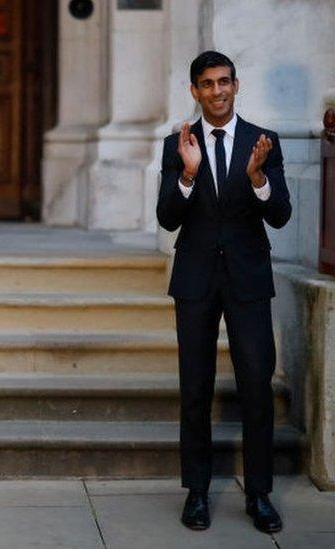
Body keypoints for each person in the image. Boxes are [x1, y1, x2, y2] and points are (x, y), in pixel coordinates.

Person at [157, 50, 291, 534]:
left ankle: (259, 494)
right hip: (195, 280)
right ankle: (196, 491)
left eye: (224, 82)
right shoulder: (179, 143)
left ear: (236, 85)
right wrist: (188, 174)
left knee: (256, 385)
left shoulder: (265, 141)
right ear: (194, 91)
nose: (217, 92)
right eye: (207, 84)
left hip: (248, 279)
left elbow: (280, 215)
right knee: (195, 387)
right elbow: (167, 217)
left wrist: (258, 180)